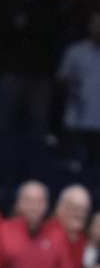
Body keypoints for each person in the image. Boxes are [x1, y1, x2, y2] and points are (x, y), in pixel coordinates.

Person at [57, 11, 100, 164]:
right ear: (89, 26)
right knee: (76, 167)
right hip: (78, 119)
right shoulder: (75, 51)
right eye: (96, 24)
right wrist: (72, 86)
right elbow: (62, 78)